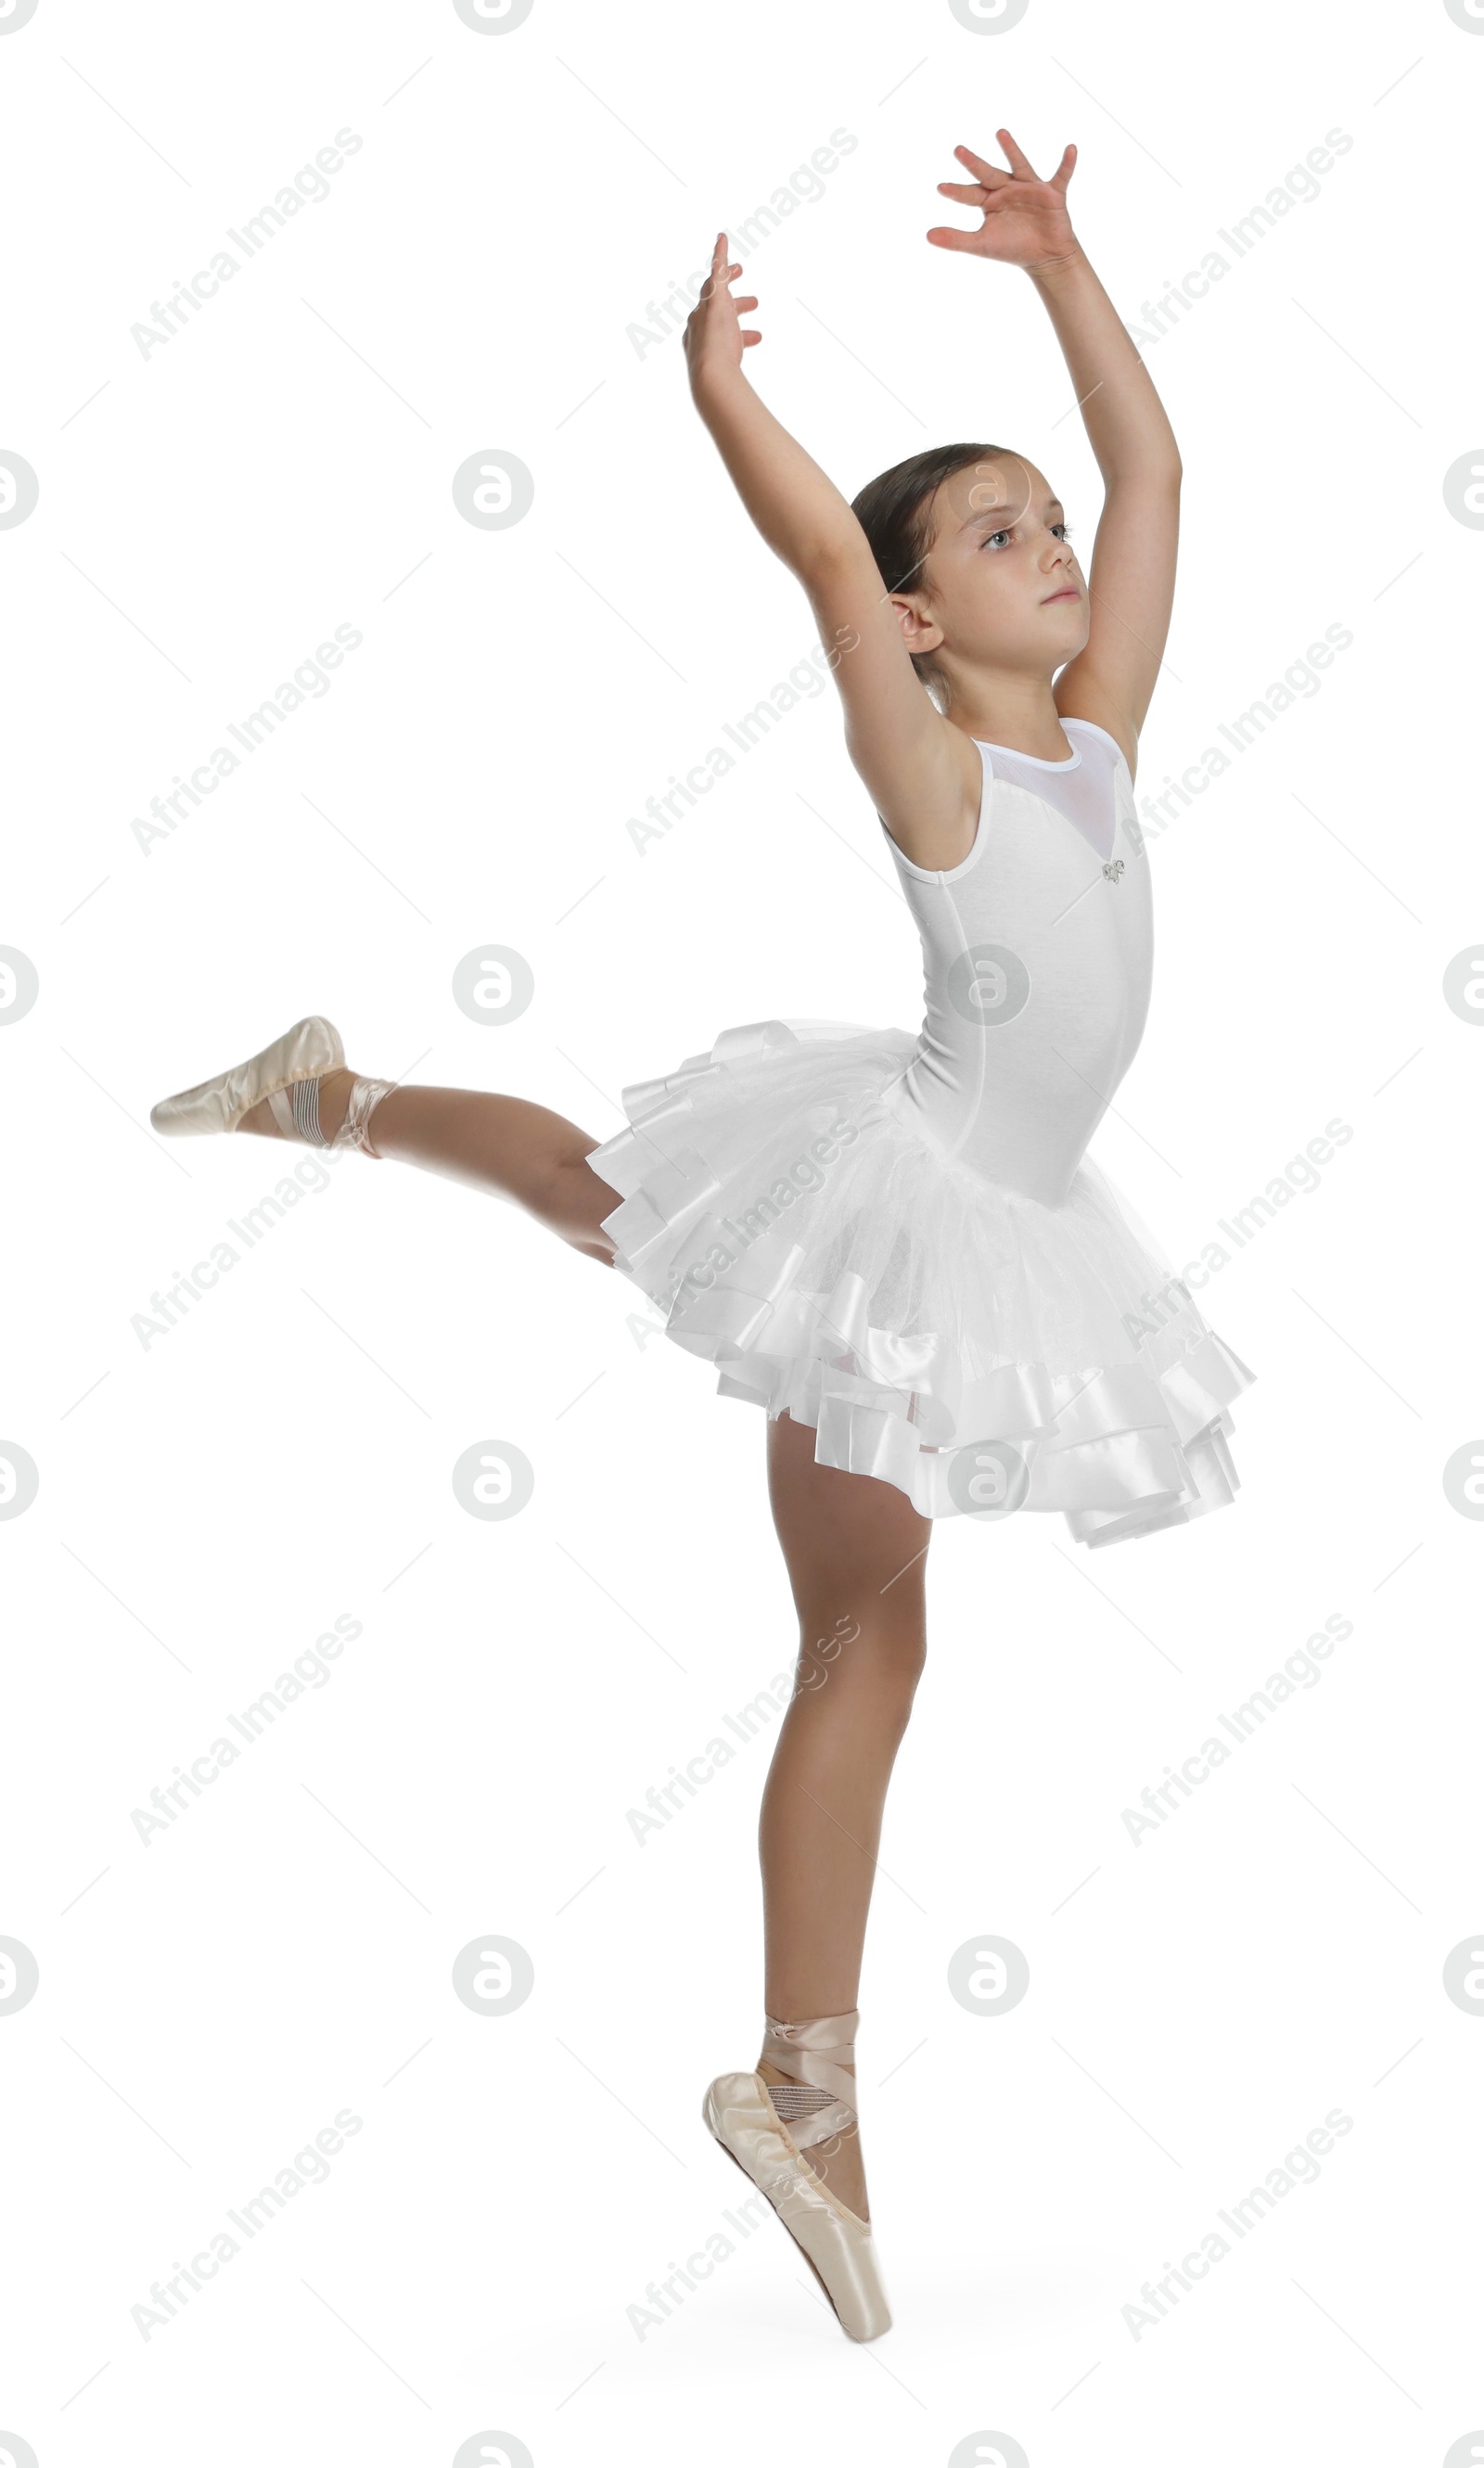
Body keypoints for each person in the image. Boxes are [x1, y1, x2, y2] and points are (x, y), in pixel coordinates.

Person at [149, 129, 1252, 2343]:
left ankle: (328, 1087)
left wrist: (1061, 264)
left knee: (614, 1221)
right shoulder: (937, 770)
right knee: (863, 1641)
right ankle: (799, 2088)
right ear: (929, 616)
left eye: (1042, 523)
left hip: (1003, 1214)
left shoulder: (1098, 751)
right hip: (905, 1223)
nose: (1053, 542)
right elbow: (828, 584)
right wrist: (728, 405)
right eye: (994, 531)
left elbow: (1150, 469)